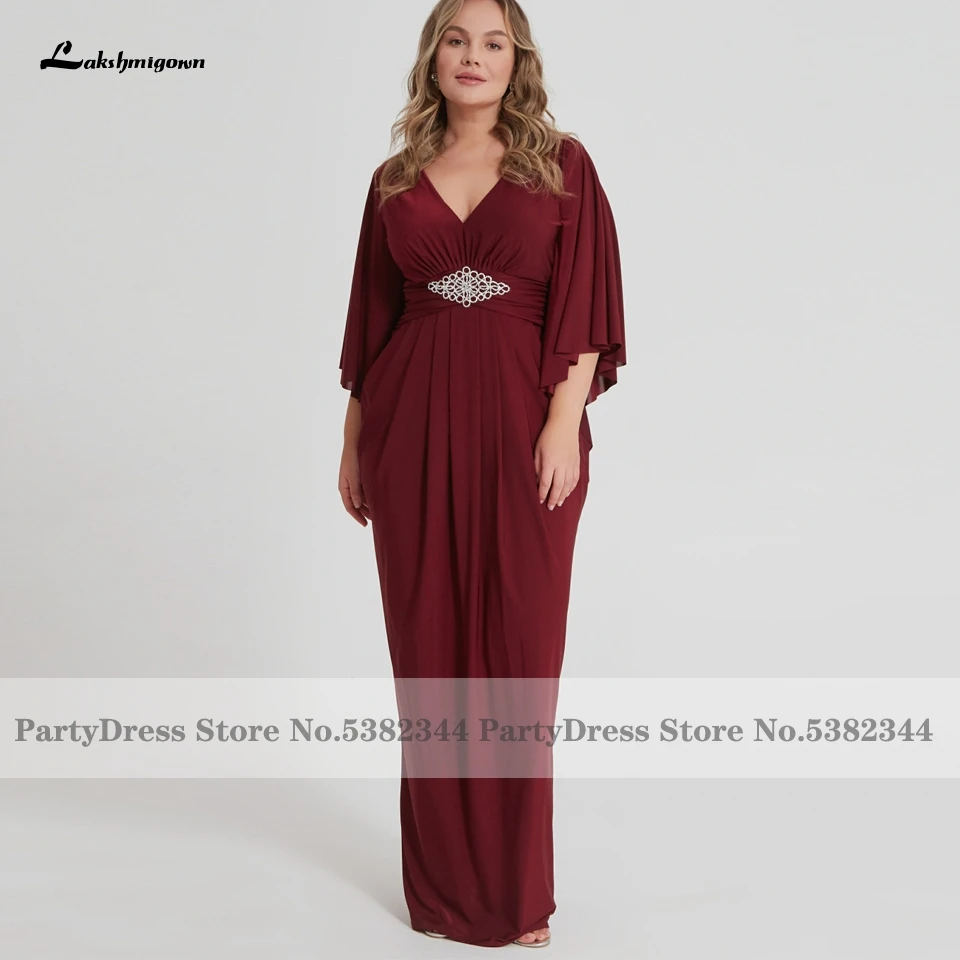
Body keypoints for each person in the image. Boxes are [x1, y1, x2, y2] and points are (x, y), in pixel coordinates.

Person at [337, 0, 626, 948]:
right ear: (434, 57)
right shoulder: (394, 179)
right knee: (426, 656)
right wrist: (353, 442)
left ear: (516, 60)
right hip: (409, 428)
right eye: (456, 40)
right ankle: (440, 894)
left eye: (493, 42)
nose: (473, 56)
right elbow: (372, 321)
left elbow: (585, 304)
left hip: (522, 424)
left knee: (518, 655)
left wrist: (562, 421)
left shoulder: (562, 164)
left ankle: (511, 895)